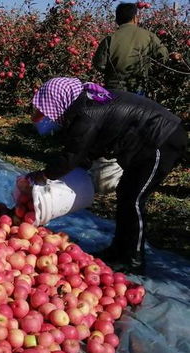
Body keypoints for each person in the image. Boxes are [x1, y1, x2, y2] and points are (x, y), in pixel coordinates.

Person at [26, 77, 187, 274]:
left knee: (134, 199)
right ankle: (118, 250)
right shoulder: (86, 103)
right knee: (126, 194)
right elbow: (89, 148)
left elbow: (72, 155)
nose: (51, 116)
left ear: (59, 101)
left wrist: (45, 175)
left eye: (50, 108)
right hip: (147, 140)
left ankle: (134, 259)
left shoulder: (87, 113)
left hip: (162, 139)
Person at [93, 2, 168, 94]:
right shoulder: (149, 36)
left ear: (117, 20)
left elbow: (99, 64)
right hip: (137, 87)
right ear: (135, 18)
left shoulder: (110, 39)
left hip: (113, 88)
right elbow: (164, 57)